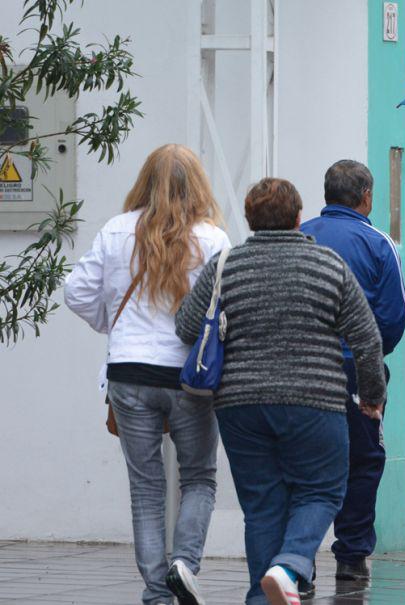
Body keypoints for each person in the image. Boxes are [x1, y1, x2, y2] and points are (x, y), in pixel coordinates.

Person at [175, 177, 387, 605]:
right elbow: (367, 340)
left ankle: (262, 596)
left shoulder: (225, 264)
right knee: (323, 490)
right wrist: (370, 397)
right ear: (297, 218)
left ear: (251, 220)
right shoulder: (327, 264)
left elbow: (185, 326)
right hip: (315, 403)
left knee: (263, 506)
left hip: (240, 406)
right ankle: (289, 565)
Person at [64, 144, 230, 605]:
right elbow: (223, 306)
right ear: (197, 185)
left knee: (146, 487)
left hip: (128, 374)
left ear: (144, 181)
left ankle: (157, 592)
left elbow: (76, 292)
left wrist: (113, 323)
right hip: (189, 378)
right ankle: (184, 565)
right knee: (199, 478)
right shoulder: (213, 239)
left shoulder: (116, 230)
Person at [300, 160, 405, 586]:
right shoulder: (378, 243)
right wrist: (373, 359)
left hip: (301, 369)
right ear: (365, 196)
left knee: (303, 462)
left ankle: (298, 557)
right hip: (355, 371)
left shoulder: (300, 234)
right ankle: (351, 555)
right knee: (362, 460)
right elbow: (393, 316)